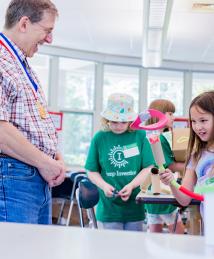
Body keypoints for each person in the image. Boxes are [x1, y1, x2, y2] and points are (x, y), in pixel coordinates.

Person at [0, 0, 66, 224]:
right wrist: (45, 162)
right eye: (47, 30)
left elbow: (30, 122)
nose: (49, 39)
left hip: (34, 177)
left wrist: (54, 157)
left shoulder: (21, 64)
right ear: (25, 23)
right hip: (13, 177)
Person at [85, 93, 155, 231]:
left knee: (133, 248)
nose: (119, 126)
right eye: (114, 121)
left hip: (135, 206)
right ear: (106, 119)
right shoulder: (100, 138)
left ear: (130, 120)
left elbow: (148, 167)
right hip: (108, 208)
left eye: (123, 122)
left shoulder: (140, 136)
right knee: (110, 250)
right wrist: (104, 186)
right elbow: (92, 171)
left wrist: (132, 185)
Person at [160, 91, 214, 221]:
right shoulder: (196, 155)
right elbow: (184, 199)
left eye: (203, 120)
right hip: (209, 228)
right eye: (194, 121)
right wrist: (171, 182)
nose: (197, 127)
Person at [145, 99, 185, 233]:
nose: (174, 117)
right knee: (178, 231)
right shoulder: (158, 139)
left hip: (151, 191)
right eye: (170, 113)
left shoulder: (148, 136)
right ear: (159, 115)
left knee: (154, 231)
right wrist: (191, 166)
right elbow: (170, 165)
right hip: (162, 190)